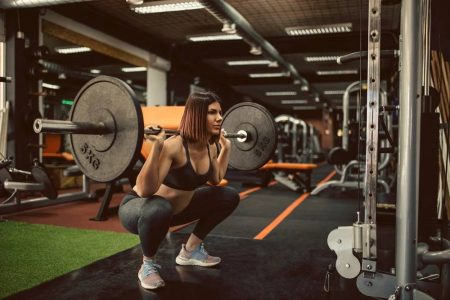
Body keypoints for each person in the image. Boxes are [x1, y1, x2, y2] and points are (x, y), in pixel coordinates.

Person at [118, 91, 240, 290]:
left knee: (228, 196)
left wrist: (226, 149)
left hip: (172, 212)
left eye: (220, 112)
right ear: (197, 115)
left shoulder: (210, 146)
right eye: (212, 112)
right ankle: (147, 266)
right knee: (159, 206)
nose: (219, 118)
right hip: (140, 210)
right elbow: (144, 190)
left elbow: (216, 179)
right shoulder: (173, 146)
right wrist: (157, 147)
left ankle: (190, 251)